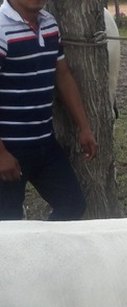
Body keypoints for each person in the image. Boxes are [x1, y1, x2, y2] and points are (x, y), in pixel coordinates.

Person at [0, 0, 98, 220]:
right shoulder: (1, 29)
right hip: (9, 147)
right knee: (7, 225)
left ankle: (42, 249)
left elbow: (62, 75)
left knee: (73, 205)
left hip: (44, 141)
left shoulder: (49, 24)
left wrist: (84, 127)